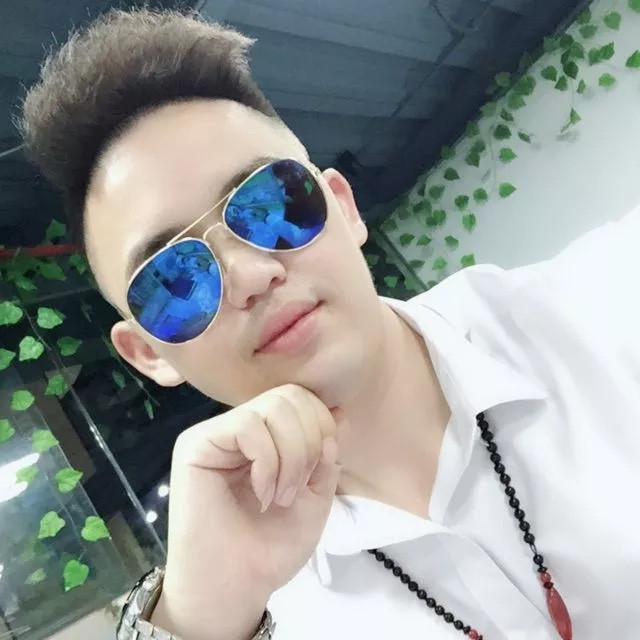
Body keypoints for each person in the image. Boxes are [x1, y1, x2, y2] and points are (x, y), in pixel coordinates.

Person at [17, 8, 640, 640]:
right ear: (148, 353)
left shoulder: (605, 300)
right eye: (173, 281)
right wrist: (202, 620)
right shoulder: (251, 602)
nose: (251, 275)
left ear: (342, 206)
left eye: (272, 204)